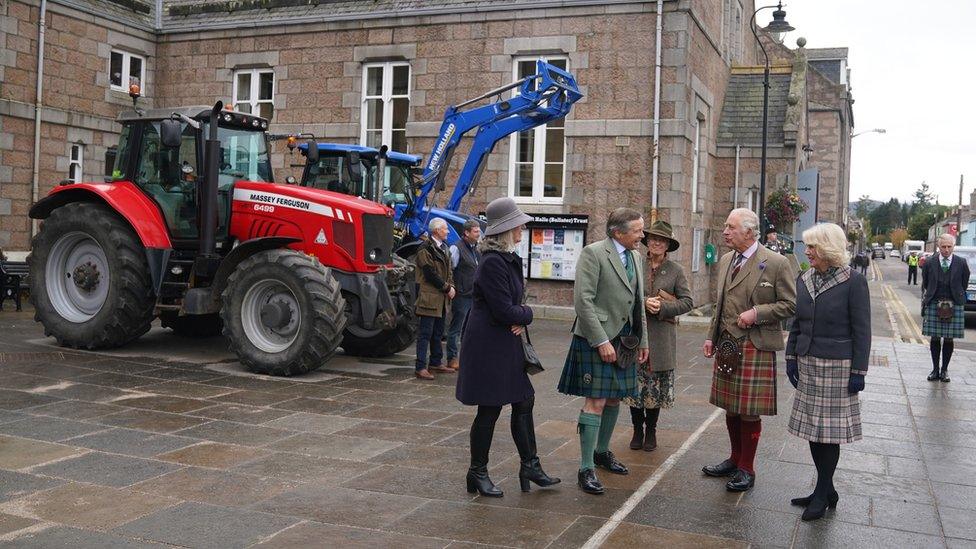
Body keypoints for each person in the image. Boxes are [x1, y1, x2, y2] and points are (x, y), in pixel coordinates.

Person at [455, 198, 559, 497]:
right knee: (489, 409)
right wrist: (526, 314)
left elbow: (510, 307)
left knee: (524, 400)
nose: (523, 228)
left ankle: (530, 466)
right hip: (488, 345)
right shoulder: (491, 263)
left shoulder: (506, 259)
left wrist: (519, 314)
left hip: (504, 342)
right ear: (507, 229)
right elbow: (505, 310)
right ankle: (477, 472)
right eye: (519, 224)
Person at [702, 208, 796, 492]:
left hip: (755, 344)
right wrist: (711, 337)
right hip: (727, 343)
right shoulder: (727, 259)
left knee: (749, 411)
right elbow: (719, 305)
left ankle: (747, 468)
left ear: (749, 232)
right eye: (726, 227)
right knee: (731, 407)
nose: (725, 232)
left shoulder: (777, 262)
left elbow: (791, 305)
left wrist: (757, 312)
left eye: (731, 227)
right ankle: (734, 458)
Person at [558, 208, 649, 495]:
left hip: (626, 340)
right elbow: (583, 302)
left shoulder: (635, 256)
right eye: (637, 231)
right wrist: (600, 341)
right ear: (617, 232)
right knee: (595, 401)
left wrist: (643, 340)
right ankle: (586, 468)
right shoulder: (593, 253)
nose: (642, 236)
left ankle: (602, 451)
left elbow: (638, 303)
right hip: (596, 337)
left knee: (614, 399)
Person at [786, 223, 870, 521]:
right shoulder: (805, 278)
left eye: (812, 247)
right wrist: (791, 356)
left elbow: (862, 330)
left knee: (829, 433)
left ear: (828, 249)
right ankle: (826, 489)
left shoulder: (854, 281)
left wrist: (859, 370)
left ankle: (821, 493)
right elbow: (798, 321)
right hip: (808, 361)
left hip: (838, 365)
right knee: (812, 429)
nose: (807, 252)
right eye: (807, 247)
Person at [624, 221, 693, 452]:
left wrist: (662, 307)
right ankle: (637, 429)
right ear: (647, 241)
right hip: (635, 335)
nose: (656, 242)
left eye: (662, 240)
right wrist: (643, 303)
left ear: (668, 245)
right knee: (635, 386)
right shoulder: (634, 263)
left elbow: (688, 302)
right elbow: (622, 294)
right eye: (653, 238)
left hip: (661, 337)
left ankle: (651, 430)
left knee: (654, 387)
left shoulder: (676, 271)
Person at [921, 234, 969, 383]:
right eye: (943, 247)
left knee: (949, 338)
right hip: (934, 302)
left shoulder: (961, 262)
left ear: (953, 247)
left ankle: (944, 370)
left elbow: (964, 282)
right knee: (935, 337)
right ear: (938, 246)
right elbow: (926, 282)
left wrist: (956, 295)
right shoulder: (929, 262)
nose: (946, 250)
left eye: (949, 247)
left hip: (954, 303)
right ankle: (935, 369)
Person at [413, 218, 456, 380]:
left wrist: (452, 286)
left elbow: (449, 271)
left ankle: (436, 362)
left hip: (441, 298)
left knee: (438, 333)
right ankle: (420, 367)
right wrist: (447, 288)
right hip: (429, 297)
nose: (448, 231)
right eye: (445, 229)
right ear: (437, 230)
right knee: (425, 333)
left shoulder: (444, 248)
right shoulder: (425, 248)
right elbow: (429, 273)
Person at [446, 219, 482, 371]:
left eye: (478, 230)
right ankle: (452, 358)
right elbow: (449, 269)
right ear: (466, 233)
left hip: (473, 295)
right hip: (461, 295)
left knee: (468, 329)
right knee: (456, 328)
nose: (478, 233)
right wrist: (452, 287)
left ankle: (466, 358)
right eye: (476, 231)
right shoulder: (456, 248)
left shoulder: (476, 249)